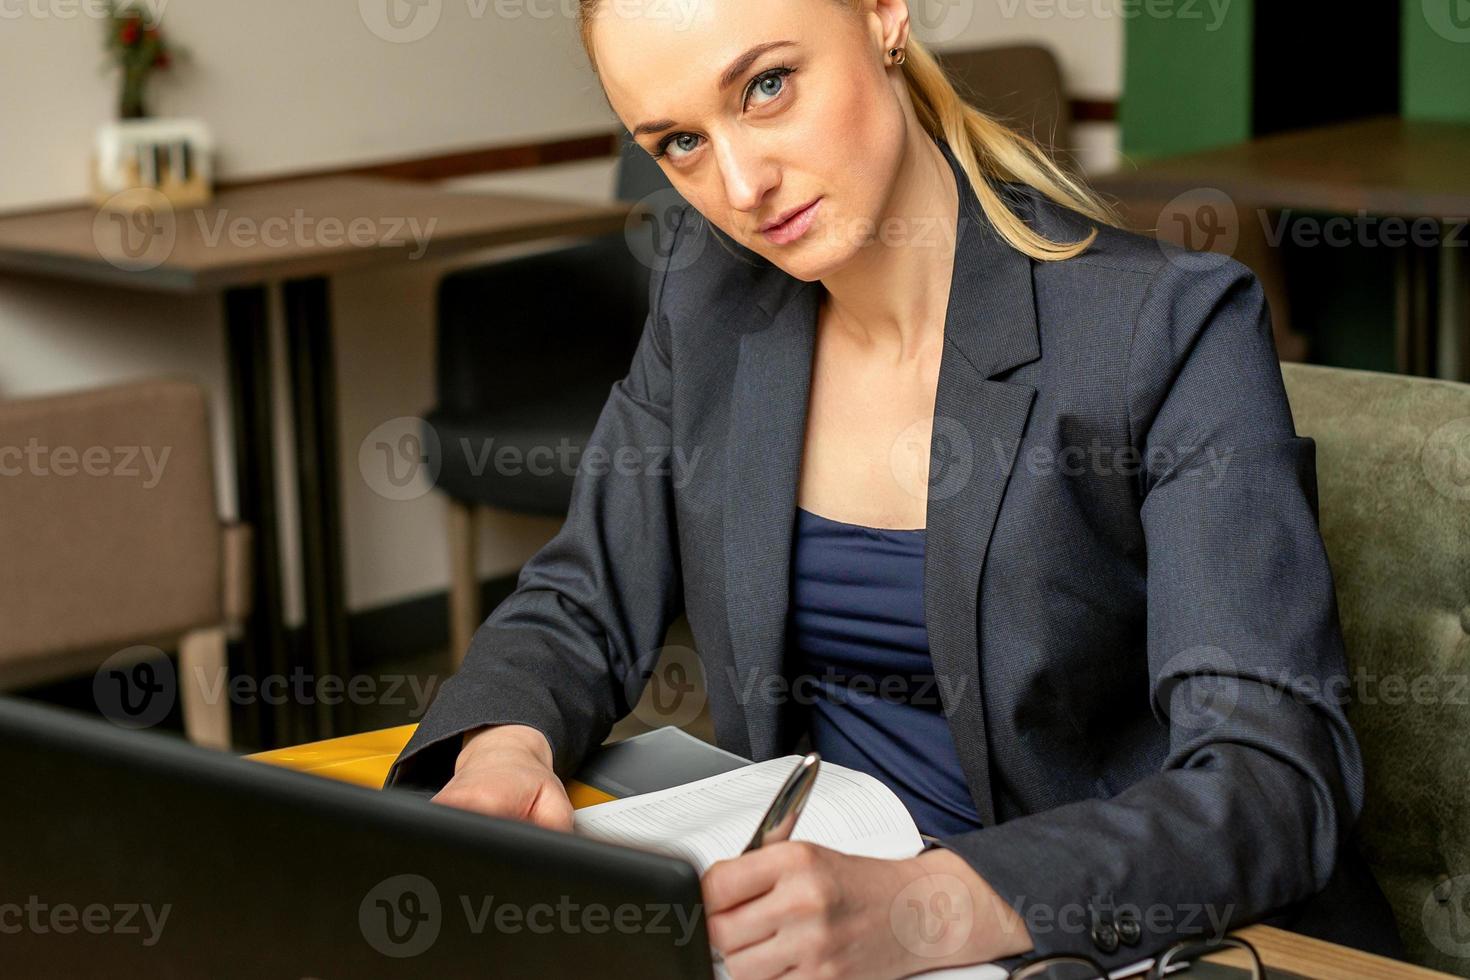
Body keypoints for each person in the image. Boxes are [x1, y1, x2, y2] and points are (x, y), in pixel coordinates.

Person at [386, 1, 1405, 976]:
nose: (742, 185)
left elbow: (1272, 780)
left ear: (881, 13)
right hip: (807, 930)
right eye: (679, 144)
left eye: (768, 85)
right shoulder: (710, 304)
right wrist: (502, 752)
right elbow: (579, 600)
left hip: (1121, 938)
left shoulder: (1167, 330)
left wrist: (926, 905)